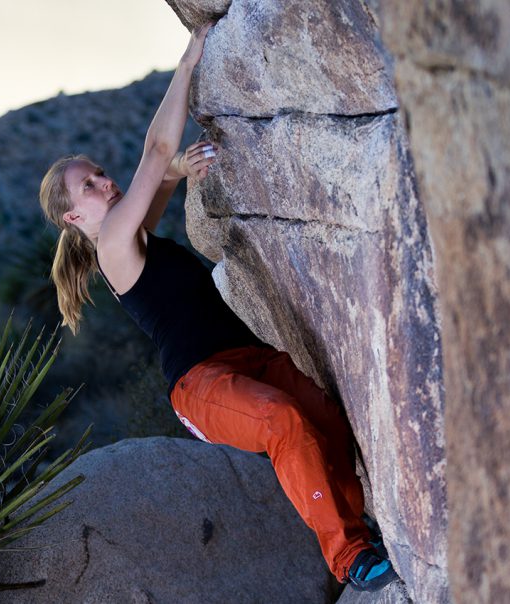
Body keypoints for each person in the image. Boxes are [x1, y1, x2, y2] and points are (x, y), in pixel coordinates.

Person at [37, 23, 398, 592]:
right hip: (201, 384)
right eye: (88, 185)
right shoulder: (110, 246)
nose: (103, 182)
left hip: (248, 355)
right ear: (72, 219)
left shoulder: (134, 233)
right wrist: (187, 64)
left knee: (326, 419)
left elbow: (159, 181)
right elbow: (156, 155)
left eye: (99, 172)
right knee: (285, 422)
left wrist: (185, 166)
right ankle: (348, 555)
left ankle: (356, 526)